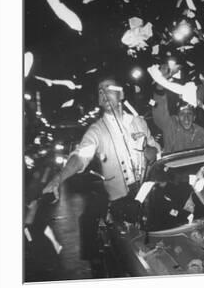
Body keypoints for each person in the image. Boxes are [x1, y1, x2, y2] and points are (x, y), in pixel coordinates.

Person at [42, 77, 160, 273]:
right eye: (100, 91)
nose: (104, 93)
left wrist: (145, 147)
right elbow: (80, 157)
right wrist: (58, 178)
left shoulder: (139, 122)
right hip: (120, 202)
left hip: (148, 197)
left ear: (121, 94)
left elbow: (154, 153)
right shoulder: (96, 130)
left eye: (109, 89)